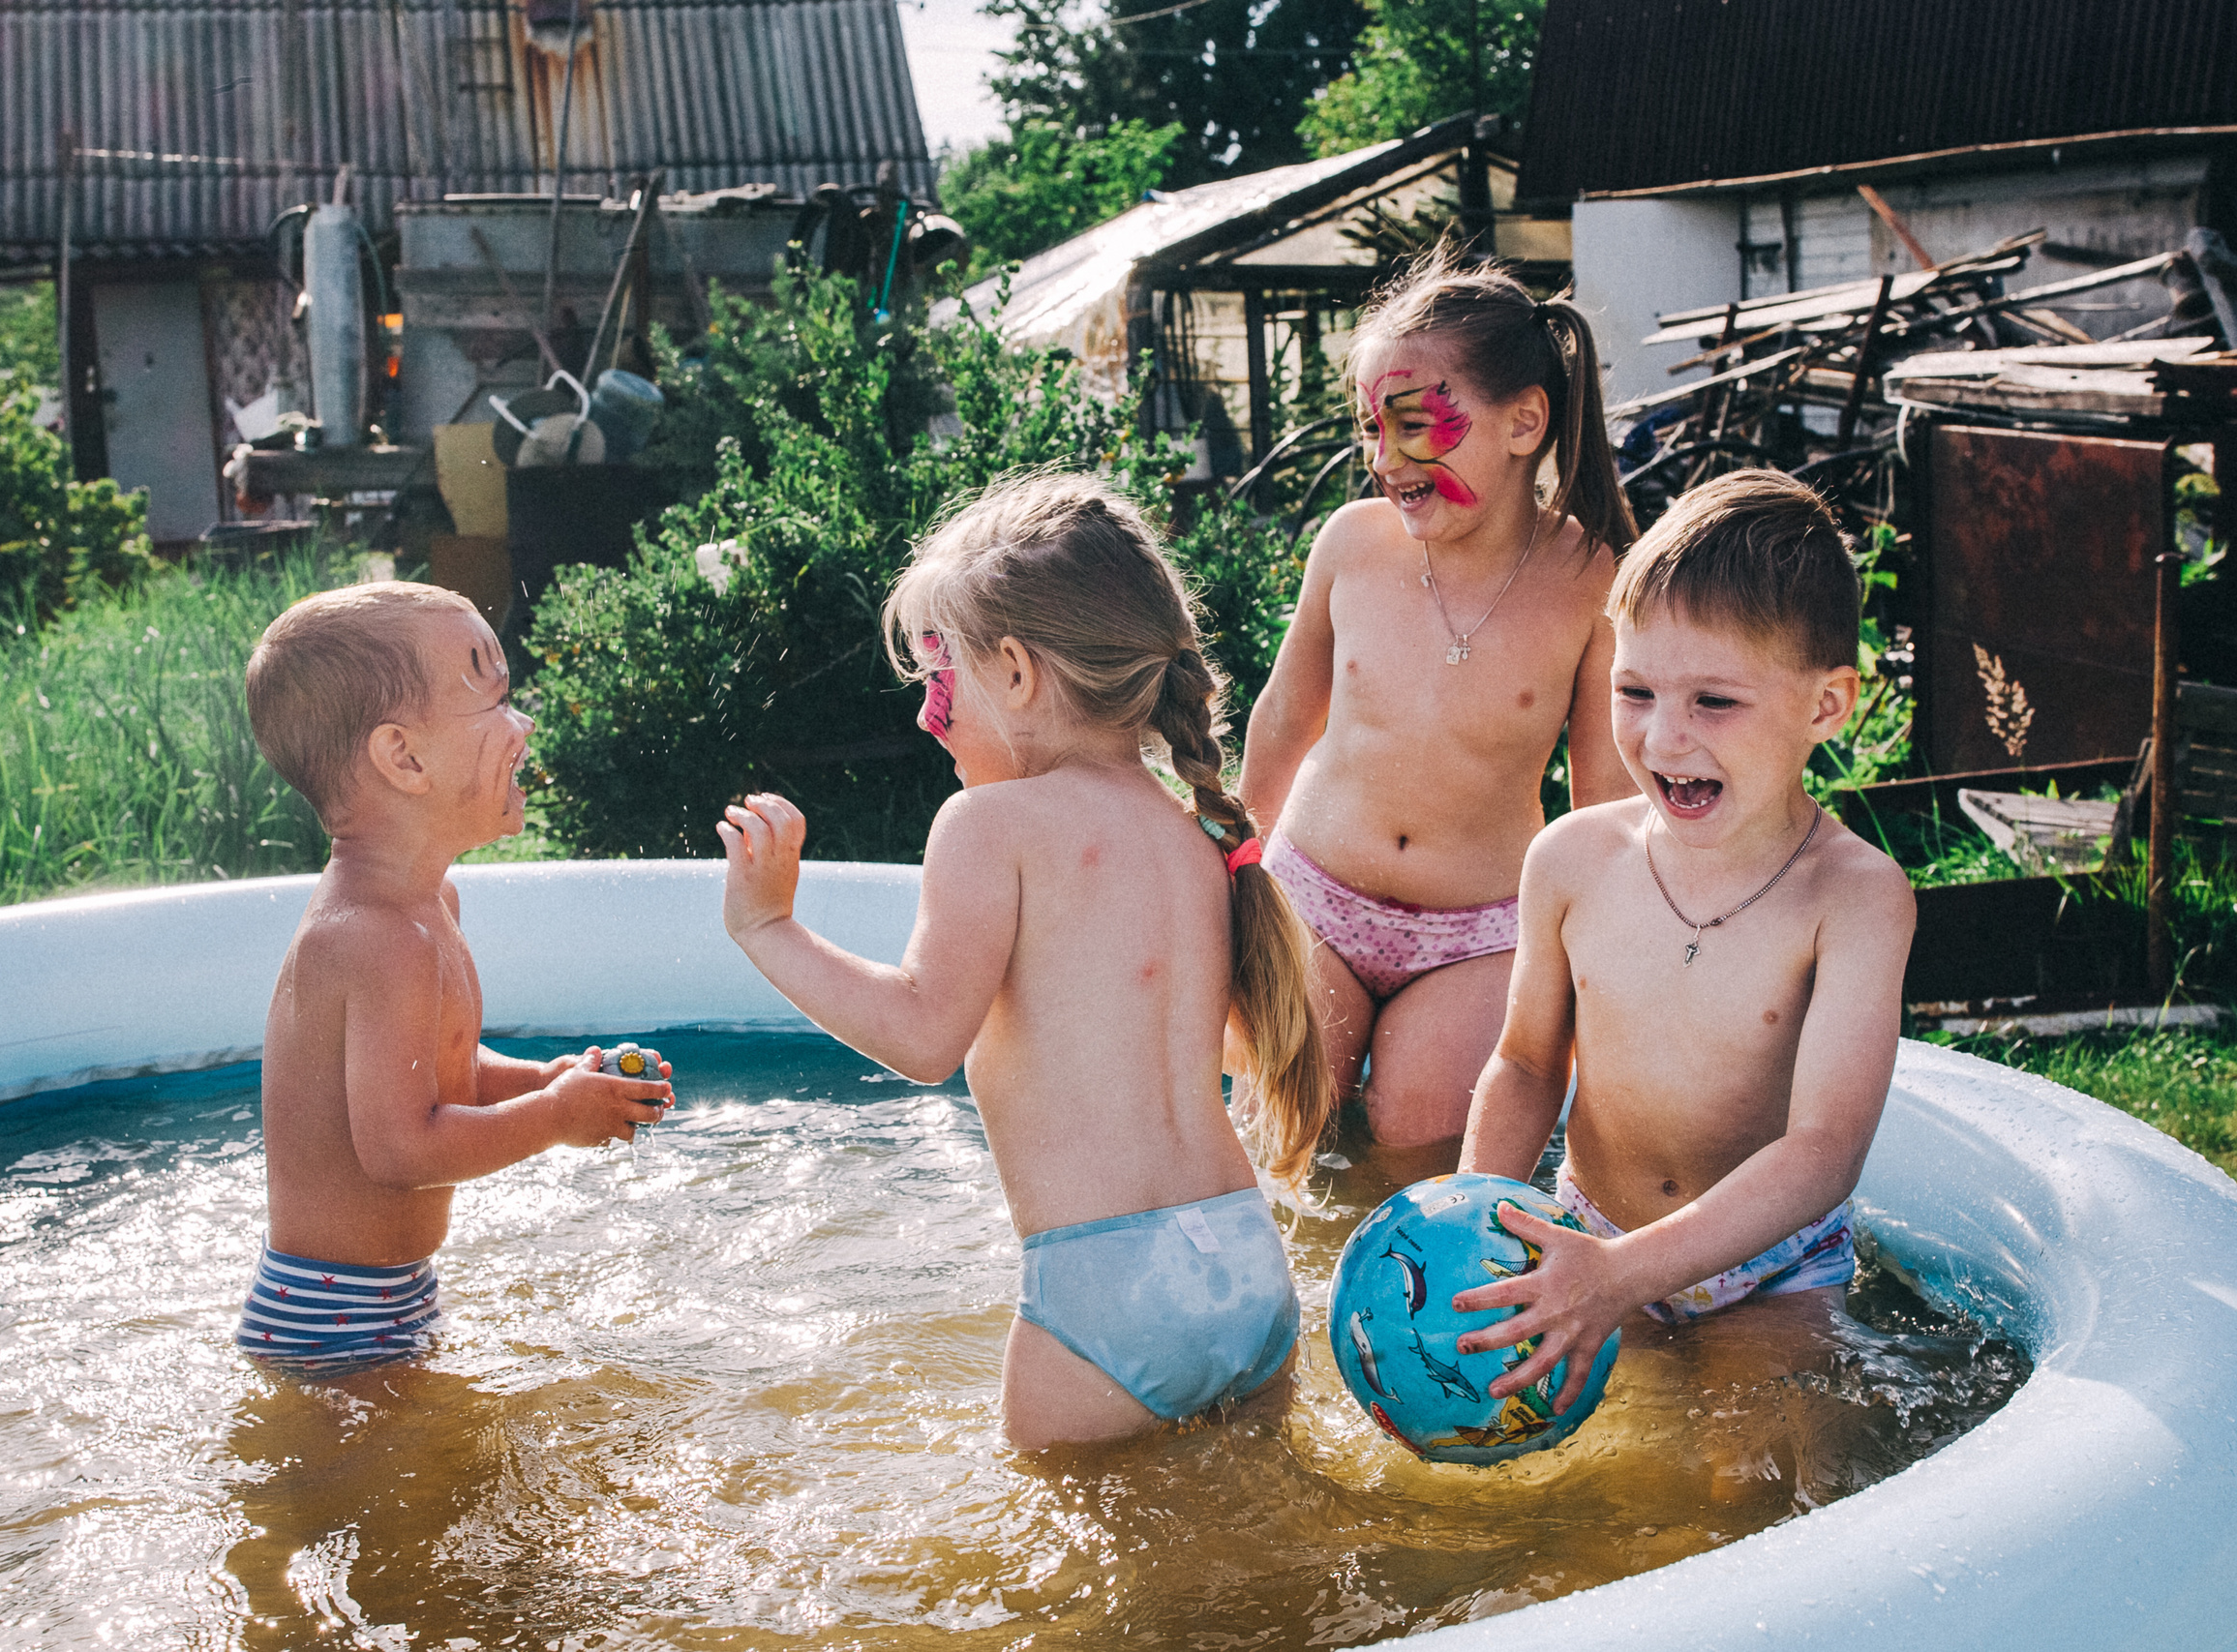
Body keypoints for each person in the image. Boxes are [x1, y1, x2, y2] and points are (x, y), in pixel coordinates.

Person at [714, 475, 1329, 1450]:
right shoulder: (1196, 833)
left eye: (935, 679)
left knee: (1076, 1593)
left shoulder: (988, 824)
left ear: (1013, 672)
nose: (927, 717)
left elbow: (921, 1035)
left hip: (1106, 1295)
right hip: (1245, 1265)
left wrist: (766, 929)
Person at [1449, 470, 1916, 1412]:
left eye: (1713, 702)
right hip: (1584, 1235)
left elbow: (1824, 1149)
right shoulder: (1572, 860)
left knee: (1746, 1483)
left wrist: (1624, 1273)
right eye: (1635, 689)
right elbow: (1527, 1064)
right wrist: (1468, 1224)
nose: (1663, 737)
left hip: (1770, 1268)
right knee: (1587, 1491)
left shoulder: (1854, 896)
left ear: (1825, 707)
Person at [1237, 255, 1640, 1170]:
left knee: (1413, 1143)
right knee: (1283, 1146)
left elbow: (1603, 799)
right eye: (1371, 427)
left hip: (1480, 934)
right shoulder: (1352, 547)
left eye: (1414, 426)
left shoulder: (1592, 581)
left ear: (1523, 422)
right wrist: (1234, 873)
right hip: (1316, 898)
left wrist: (1602, 964)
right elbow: (1285, 715)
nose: (1384, 460)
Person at [237, 582, 673, 1375]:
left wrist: (545, 1080)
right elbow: (401, 1146)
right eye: (493, 705)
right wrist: (553, 1117)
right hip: (331, 1317)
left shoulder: (429, 902)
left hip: (388, 1291)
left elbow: (441, 1074)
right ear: (404, 758)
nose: (524, 724)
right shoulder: (373, 938)